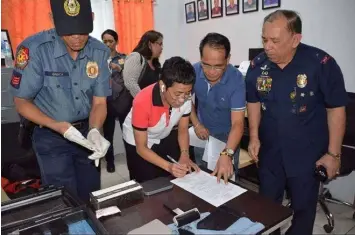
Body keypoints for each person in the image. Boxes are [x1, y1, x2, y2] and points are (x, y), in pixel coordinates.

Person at [246, 10, 347, 235]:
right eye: (264, 39)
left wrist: (333, 154)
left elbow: (336, 109)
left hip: (306, 155)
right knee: (267, 209)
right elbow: (252, 101)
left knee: (303, 211)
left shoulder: (320, 64)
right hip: (270, 152)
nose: (267, 46)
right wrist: (253, 136)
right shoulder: (258, 66)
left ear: (295, 39)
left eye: (274, 41)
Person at [10, 0, 111, 202]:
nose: (76, 38)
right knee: (63, 198)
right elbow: (21, 102)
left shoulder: (99, 52)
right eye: (68, 32)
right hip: (50, 136)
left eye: (82, 31)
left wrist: (94, 129)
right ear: (52, 20)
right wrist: (57, 126)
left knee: (91, 194)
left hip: (85, 134)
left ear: (91, 19)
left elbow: (99, 103)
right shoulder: (35, 50)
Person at [122, 57, 200, 183]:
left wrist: (185, 154)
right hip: (137, 139)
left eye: (187, 93)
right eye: (177, 94)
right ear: (163, 85)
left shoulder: (185, 96)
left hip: (162, 132)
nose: (182, 99)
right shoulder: (142, 101)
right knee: (147, 181)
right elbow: (141, 148)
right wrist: (169, 166)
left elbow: (183, 130)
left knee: (172, 177)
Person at [191, 33, 245, 184]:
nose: (211, 71)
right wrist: (196, 124)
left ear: (227, 60)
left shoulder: (236, 79)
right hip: (203, 133)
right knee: (201, 177)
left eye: (218, 66)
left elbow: (238, 124)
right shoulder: (194, 71)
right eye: (206, 64)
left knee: (226, 181)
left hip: (228, 137)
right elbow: (185, 100)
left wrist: (227, 153)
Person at [101, 29, 126, 173]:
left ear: (116, 42)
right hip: (107, 102)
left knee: (126, 132)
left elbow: (128, 78)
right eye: (105, 41)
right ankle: (110, 162)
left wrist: (119, 68)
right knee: (108, 134)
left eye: (110, 41)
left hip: (122, 101)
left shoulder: (123, 58)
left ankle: (132, 157)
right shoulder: (98, 60)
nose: (108, 44)